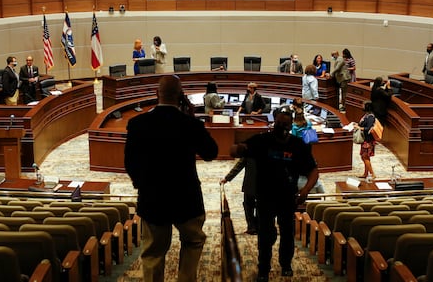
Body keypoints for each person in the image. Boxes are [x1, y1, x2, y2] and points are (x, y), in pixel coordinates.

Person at [124, 75, 218, 282]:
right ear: (181, 96)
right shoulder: (190, 124)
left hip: (153, 200)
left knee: (153, 253)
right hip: (187, 199)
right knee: (192, 243)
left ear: (157, 94)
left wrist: (142, 185)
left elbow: (130, 163)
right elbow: (211, 152)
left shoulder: (138, 123)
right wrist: (192, 118)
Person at [230, 112, 319, 281]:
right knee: (264, 234)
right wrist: (238, 149)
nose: (283, 129)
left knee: (287, 232)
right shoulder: (262, 140)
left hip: (288, 197)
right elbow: (234, 150)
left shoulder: (298, 145)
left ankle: (286, 264)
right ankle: (263, 268)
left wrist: (306, 190)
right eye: (279, 124)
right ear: (274, 123)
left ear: (291, 126)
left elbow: (314, 171)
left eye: (286, 125)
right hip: (265, 196)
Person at [220, 157, 257, 235]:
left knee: (248, 205)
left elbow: (239, 165)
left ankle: (252, 227)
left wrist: (227, 178)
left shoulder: (249, 150)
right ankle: (259, 226)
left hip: (251, 184)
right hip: (266, 184)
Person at [353, 102, 377, 180]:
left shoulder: (371, 117)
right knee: (364, 157)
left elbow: (368, 129)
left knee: (365, 156)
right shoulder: (366, 115)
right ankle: (366, 173)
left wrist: (359, 128)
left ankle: (372, 174)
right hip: (365, 139)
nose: (361, 106)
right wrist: (357, 125)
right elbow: (363, 125)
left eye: (363, 105)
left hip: (368, 140)